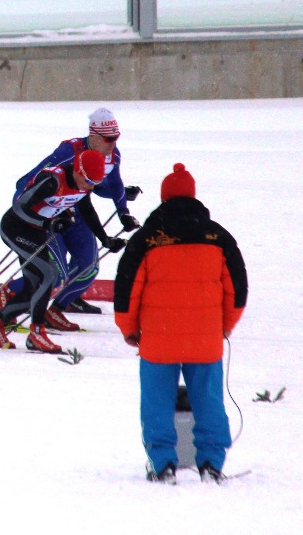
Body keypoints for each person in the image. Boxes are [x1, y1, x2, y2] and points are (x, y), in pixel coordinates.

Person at [113, 162, 248, 484]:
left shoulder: (147, 238)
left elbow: (126, 289)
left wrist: (129, 329)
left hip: (158, 340)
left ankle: (162, 464)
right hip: (205, 340)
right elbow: (238, 290)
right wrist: (225, 325)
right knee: (210, 403)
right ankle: (212, 463)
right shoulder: (218, 237)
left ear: (163, 198)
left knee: (157, 405)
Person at [0, 107, 142, 327]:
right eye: (108, 139)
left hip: (77, 209)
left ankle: (57, 308)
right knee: (55, 273)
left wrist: (123, 212)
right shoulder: (68, 151)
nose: (113, 143)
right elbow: (30, 182)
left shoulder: (113, 156)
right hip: (48, 213)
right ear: (93, 137)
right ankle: (10, 291)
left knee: (89, 264)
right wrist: (26, 210)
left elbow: (106, 186)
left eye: (116, 138)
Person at [0, 148, 124, 354]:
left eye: (94, 183)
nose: (89, 187)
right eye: (87, 181)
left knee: (34, 287)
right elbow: (20, 208)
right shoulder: (54, 180)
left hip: (36, 232)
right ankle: (37, 333)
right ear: (77, 170)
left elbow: (87, 211)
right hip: (15, 228)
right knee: (49, 274)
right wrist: (48, 223)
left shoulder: (83, 184)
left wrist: (105, 239)